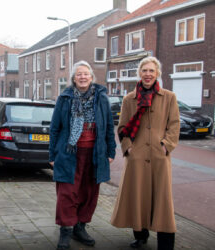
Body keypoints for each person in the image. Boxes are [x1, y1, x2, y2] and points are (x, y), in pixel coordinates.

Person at [111, 56, 180, 250]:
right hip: (137, 156)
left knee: (162, 200)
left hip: (159, 156)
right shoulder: (129, 99)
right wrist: (128, 149)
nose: (148, 74)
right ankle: (140, 235)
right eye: (144, 70)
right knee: (138, 196)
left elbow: (174, 125)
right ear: (139, 73)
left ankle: (165, 243)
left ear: (157, 73)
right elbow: (123, 127)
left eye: (151, 70)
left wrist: (167, 145)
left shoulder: (169, 97)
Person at [49, 60, 116, 250]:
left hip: (95, 153)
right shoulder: (64, 98)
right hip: (69, 153)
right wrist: (52, 155)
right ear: (74, 78)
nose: (83, 77)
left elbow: (109, 127)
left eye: (86, 73)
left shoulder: (101, 98)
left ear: (91, 77)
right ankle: (65, 231)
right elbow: (55, 128)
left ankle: (80, 227)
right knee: (67, 193)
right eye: (79, 74)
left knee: (89, 193)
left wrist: (110, 151)